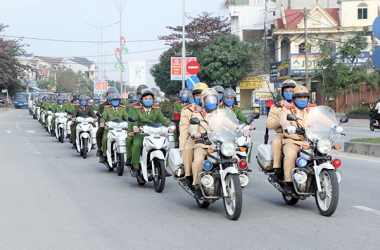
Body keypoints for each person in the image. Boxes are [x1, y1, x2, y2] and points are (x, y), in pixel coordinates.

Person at [128, 88, 173, 177]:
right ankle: (136, 167)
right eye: (146, 99)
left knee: (165, 144)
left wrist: (170, 126)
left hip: (155, 133)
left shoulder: (156, 109)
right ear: (141, 100)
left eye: (150, 98)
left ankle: (163, 168)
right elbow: (133, 121)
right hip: (141, 134)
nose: (148, 100)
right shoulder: (136, 109)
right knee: (136, 144)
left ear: (153, 99)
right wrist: (135, 127)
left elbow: (163, 120)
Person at [279, 85, 316, 193]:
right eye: (300, 97)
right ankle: (288, 182)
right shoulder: (287, 110)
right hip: (293, 140)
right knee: (290, 155)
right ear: (294, 99)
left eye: (305, 97)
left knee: (326, 154)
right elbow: (283, 121)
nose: (302, 99)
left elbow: (323, 119)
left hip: (311, 141)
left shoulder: (313, 109)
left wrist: (333, 126)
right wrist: (288, 127)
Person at [266, 79, 296, 182]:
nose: (289, 93)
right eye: (286, 91)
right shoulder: (277, 106)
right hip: (282, 133)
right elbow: (269, 124)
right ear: (282, 92)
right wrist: (281, 119)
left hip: (301, 134)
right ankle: (277, 169)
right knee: (276, 143)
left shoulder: (302, 103)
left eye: (291, 90)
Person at [179, 82, 208, 187]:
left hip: (212, 139)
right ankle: (187, 175)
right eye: (197, 95)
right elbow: (184, 129)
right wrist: (181, 147)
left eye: (202, 95)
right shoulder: (188, 110)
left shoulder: (214, 108)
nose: (199, 97)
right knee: (187, 148)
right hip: (194, 139)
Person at [219, 88, 255, 165]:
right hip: (222, 132)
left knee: (248, 142)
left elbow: (244, 119)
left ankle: (244, 163)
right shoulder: (219, 108)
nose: (229, 100)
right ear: (223, 98)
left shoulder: (236, 109)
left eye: (231, 98)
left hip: (235, 131)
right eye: (227, 98)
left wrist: (250, 125)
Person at [99, 93, 128, 163]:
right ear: (110, 101)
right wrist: (102, 123)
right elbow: (103, 117)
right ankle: (104, 155)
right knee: (105, 139)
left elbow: (127, 118)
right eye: (114, 100)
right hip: (110, 129)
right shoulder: (107, 108)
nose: (115, 102)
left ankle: (128, 156)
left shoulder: (123, 109)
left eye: (117, 100)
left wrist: (129, 125)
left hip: (121, 129)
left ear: (119, 101)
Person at [125, 84, 148, 166]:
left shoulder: (154, 106)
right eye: (139, 94)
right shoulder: (133, 107)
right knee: (129, 139)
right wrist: (131, 130)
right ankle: (130, 158)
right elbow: (131, 120)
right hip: (137, 131)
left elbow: (161, 119)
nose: (141, 96)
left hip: (151, 131)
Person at [96, 87, 119, 157]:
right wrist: (102, 124)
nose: (111, 95)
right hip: (107, 125)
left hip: (119, 126)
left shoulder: (122, 105)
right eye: (109, 94)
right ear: (106, 95)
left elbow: (126, 116)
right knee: (99, 133)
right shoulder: (103, 105)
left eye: (113, 94)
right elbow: (101, 116)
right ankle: (100, 149)